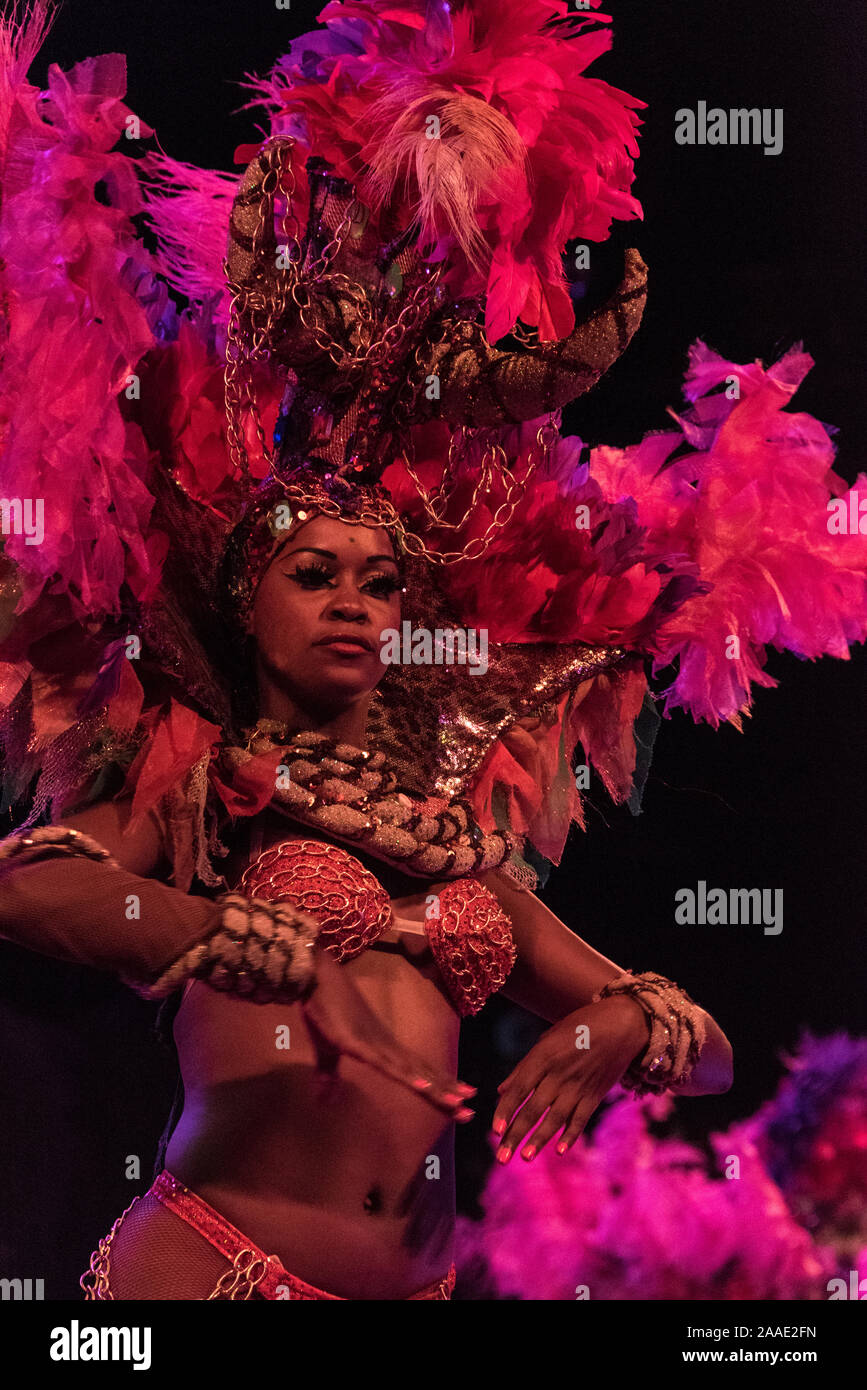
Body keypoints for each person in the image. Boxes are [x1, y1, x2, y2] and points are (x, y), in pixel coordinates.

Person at [0, 0, 863, 1301]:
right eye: (314, 574)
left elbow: (718, 1056)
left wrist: (628, 1017)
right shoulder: (204, 782)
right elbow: (27, 888)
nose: (355, 599)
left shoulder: (455, 838)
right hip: (218, 1272)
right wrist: (206, 924)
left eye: (381, 579)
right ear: (247, 603)